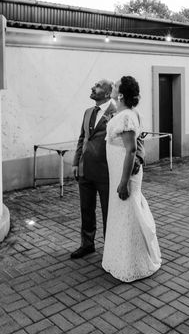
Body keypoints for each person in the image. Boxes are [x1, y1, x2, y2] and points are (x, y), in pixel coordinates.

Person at [102, 76, 161, 281]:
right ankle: (118, 257)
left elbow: (131, 149)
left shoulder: (127, 116)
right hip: (117, 169)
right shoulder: (122, 113)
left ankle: (132, 261)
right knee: (120, 211)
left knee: (128, 208)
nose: (112, 86)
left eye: (116, 85)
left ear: (121, 94)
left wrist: (123, 181)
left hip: (124, 172)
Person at [71, 79, 117, 259]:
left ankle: (110, 248)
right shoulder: (88, 111)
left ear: (106, 93)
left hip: (106, 171)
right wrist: (76, 163)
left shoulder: (116, 112)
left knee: (108, 212)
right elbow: (82, 138)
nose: (92, 87)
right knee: (86, 209)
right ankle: (87, 244)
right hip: (85, 169)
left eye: (97, 86)